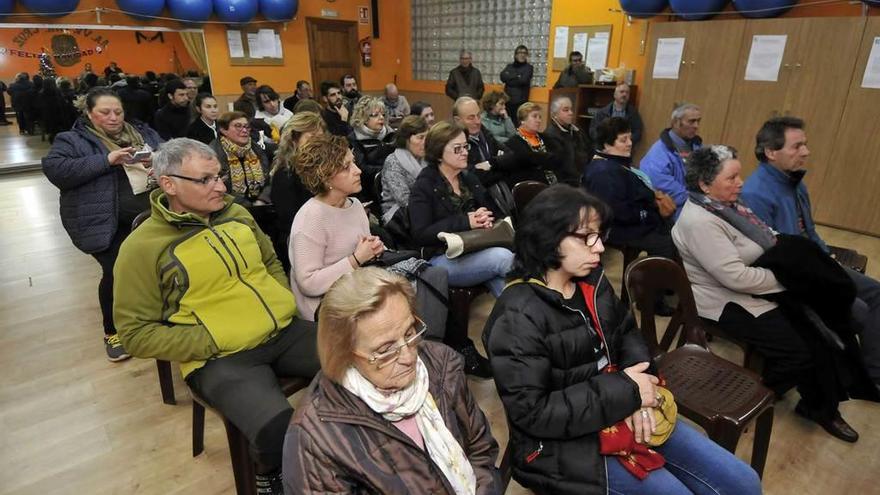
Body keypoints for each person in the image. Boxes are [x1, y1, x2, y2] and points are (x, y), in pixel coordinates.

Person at [483, 184, 763, 495]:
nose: (600, 247)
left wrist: (637, 393)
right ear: (547, 238)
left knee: (744, 481)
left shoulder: (592, 279)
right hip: (561, 443)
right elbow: (534, 413)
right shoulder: (517, 316)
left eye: (599, 234)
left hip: (620, 401)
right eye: (587, 237)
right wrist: (627, 393)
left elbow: (627, 332)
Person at [114, 138, 319, 494]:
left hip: (281, 331)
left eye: (219, 176)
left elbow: (270, 262)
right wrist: (210, 340)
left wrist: (281, 299)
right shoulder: (141, 248)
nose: (221, 186)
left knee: (363, 364)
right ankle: (272, 478)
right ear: (169, 184)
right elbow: (135, 333)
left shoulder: (236, 214)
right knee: (278, 432)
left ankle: (348, 454)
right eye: (206, 179)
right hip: (220, 357)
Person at [672, 145, 861, 442]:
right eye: (732, 178)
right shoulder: (699, 221)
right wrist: (788, 280)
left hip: (758, 287)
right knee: (802, 350)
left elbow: (766, 237)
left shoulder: (725, 206)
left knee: (819, 327)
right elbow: (734, 277)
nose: (741, 183)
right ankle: (751, 396)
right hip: (727, 301)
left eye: (739, 175)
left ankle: (818, 403)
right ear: (705, 185)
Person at [282, 267, 500, 494]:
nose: (409, 357)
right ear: (344, 354)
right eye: (386, 350)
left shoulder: (440, 364)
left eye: (409, 333)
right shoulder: (316, 440)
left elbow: (480, 449)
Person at [742, 117, 880, 390]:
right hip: (797, 276)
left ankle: (873, 374)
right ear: (771, 152)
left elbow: (810, 232)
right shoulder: (755, 193)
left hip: (815, 264)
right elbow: (774, 256)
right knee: (858, 310)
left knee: (876, 292)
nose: (806, 152)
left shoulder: (795, 183)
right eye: (797, 146)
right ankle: (849, 376)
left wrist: (827, 256)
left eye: (805, 145)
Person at [42, 87, 163, 362]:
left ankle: (150, 315)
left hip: (148, 215)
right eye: (104, 112)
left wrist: (161, 163)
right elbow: (56, 170)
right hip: (100, 219)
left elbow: (168, 151)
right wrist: (107, 159)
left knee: (156, 266)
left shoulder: (142, 132)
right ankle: (112, 331)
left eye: (118, 112)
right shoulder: (72, 139)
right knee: (116, 271)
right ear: (88, 113)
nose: (113, 118)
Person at [408, 121, 514, 298]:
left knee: (506, 285)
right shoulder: (424, 185)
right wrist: (467, 221)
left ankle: (520, 322)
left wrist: (485, 216)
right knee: (502, 258)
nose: (465, 152)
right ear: (439, 153)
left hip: (478, 246)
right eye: (458, 148)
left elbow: (497, 213)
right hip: (442, 257)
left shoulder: (468, 177)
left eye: (465, 147)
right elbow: (420, 234)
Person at [288, 134, 384, 321]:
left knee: (422, 280)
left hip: (357, 288)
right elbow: (308, 283)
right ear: (325, 178)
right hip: (325, 306)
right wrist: (356, 259)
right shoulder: (311, 218)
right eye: (346, 167)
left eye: (354, 163)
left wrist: (374, 248)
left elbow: (362, 251)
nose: (358, 171)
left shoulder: (355, 205)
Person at [584, 117, 678, 260]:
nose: (630, 143)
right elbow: (616, 212)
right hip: (618, 229)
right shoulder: (603, 172)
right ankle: (657, 280)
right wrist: (648, 212)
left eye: (630, 138)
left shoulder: (614, 165)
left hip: (635, 222)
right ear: (606, 144)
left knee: (675, 234)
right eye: (623, 140)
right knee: (668, 244)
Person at [269, 111, 326, 269]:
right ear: (294, 140)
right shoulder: (285, 173)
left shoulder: (324, 167)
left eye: (321, 138)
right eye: (312, 138)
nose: (318, 144)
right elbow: (290, 219)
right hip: (301, 239)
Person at [641, 102, 703, 219]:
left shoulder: (698, 147)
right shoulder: (657, 156)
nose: (696, 126)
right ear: (675, 122)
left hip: (696, 207)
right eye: (691, 121)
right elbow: (668, 191)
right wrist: (700, 200)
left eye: (698, 121)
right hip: (675, 215)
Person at [211, 111, 271, 207]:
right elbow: (218, 188)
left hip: (261, 205)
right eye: (238, 126)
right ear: (223, 130)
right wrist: (247, 205)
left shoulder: (257, 149)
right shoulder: (214, 154)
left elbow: (269, 180)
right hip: (229, 207)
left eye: (247, 126)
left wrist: (262, 200)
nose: (244, 130)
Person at [501, 102, 566, 187]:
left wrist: (535, 158)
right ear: (522, 120)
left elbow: (558, 158)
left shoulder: (546, 137)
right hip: (531, 187)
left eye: (540, 117)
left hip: (555, 183)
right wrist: (544, 158)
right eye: (534, 116)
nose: (538, 120)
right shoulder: (513, 143)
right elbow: (524, 165)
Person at [452, 96, 509, 187]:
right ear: (457, 121)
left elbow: (509, 155)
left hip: (499, 190)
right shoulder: (455, 145)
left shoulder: (484, 132)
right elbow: (475, 178)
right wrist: (499, 165)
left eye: (478, 115)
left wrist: (490, 164)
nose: (477, 121)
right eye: (471, 118)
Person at [347, 96, 397, 200]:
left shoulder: (391, 134)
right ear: (363, 118)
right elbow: (362, 168)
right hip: (369, 191)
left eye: (383, 114)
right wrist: (387, 171)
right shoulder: (354, 139)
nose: (381, 117)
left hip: (393, 185)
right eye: (375, 115)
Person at [381, 115, 429, 223]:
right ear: (407, 139)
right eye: (420, 137)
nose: (425, 142)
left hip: (425, 209)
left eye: (427, 137)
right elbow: (404, 200)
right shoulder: (393, 162)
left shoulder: (428, 158)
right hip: (399, 216)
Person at [543, 96, 592, 186]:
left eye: (571, 109)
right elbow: (564, 167)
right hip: (567, 183)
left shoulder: (577, 130)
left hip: (583, 176)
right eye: (566, 110)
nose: (571, 113)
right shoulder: (550, 135)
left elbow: (589, 151)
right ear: (554, 114)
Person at [590, 83, 643, 148]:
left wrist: (625, 140)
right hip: (604, 148)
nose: (624, 94)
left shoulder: (633, 113)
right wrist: (604, 140)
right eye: (621, 92)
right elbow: (593, 130)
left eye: (627, 92)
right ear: (615, 95)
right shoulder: (602, 112)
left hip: (624, 149)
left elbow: (637, 132)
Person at [500, 45, 533, 126]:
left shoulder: (529, 68)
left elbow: (523, 80)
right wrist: (517, 76)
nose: (522, 55)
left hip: (520, 103)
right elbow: (502, 77)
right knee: (506, 124)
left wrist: (510, 78)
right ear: (515, 55)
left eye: (524, 53)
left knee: (518, 126)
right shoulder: (509, 66)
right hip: (507, 102)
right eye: (520, 53)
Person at [36, 77, 77, 143]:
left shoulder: (41, 93)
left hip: (47, 117)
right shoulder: (57, 91)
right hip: (59, 116)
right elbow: (63, 104)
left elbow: (39, 106)